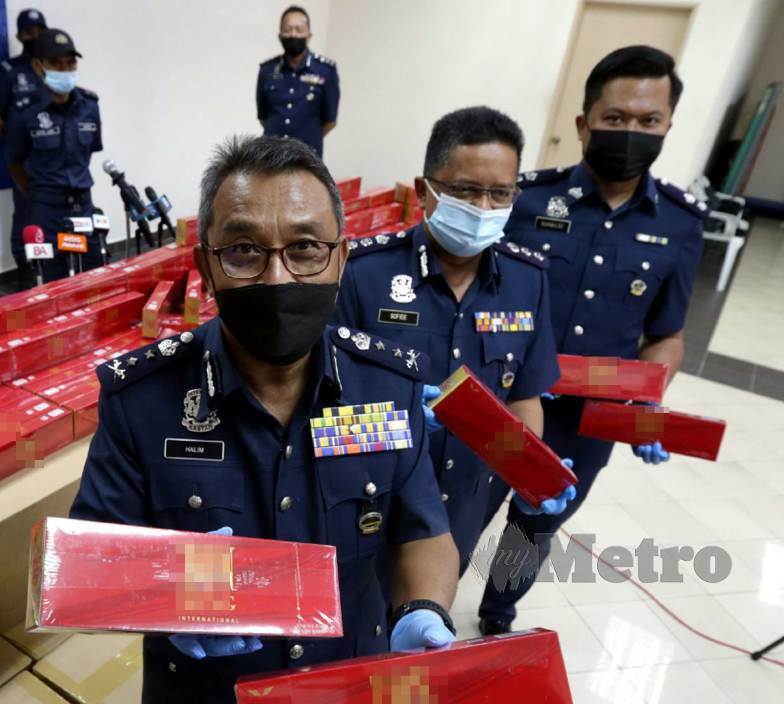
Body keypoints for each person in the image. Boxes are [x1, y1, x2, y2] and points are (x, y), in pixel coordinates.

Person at [71, 136, 459, 703]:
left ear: (341, 256)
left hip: (349, 685)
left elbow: (423, 528)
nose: (277, 278)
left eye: (304, 248)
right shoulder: (144, 401)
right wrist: (171, 593)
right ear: (206, 263)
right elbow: (88, 574)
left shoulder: (387, 384)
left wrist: (423, 607)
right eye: (244, 251)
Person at [477, 45, 705, 634]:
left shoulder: (679, 225)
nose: (631, 132)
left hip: (588, 420)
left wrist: (651, 399)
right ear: (584, 124)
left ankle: (497, 617)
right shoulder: (525, 200)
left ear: (667, 127)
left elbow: (667, 335)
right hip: (500, 402)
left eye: (648, 122)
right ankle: (420, 610)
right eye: (616, 119)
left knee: (536, 523)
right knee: (462, 509)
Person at [333, 106, 576, 579]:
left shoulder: (528, 281)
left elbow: (525, 395)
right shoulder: (363, 275)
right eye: (465, 191)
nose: (483, 208)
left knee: (424, 623)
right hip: (369, 495)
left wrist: (531, 472)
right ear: (425, 191)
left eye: (499, 193)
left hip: (465, 500)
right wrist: (393, 423)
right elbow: (321, 407)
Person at [4, 28, 103, 282]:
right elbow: (14, 162)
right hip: (46, 213)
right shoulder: (24, 112)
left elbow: (86, 155)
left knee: (92, 278)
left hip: (84, 209)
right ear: (39, 67)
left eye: (70, 63)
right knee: (51, 284)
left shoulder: (89, 107)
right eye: (56, 64)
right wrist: (40, 192)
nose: (65, 70)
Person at [0, 8, 49, 288]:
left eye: (39, 30)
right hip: (25, 161)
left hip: (54, 159)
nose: (34, 36)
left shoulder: (52, 67)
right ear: (20, 35)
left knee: (53, 216)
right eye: (28, 31)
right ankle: (26, 274)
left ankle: (56, 271)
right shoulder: (8, 71)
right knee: (26, 213)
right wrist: (15, 142)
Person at [256, 5, 339, 158]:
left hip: (308, 157)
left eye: (299, 29)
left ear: (309, 35)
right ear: (280, 35)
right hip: (271, 156)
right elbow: (263, 117)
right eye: (287, 29)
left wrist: (307, 139)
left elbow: (330, 121)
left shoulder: (325, 70)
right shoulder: (267, 70)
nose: (293, 34)